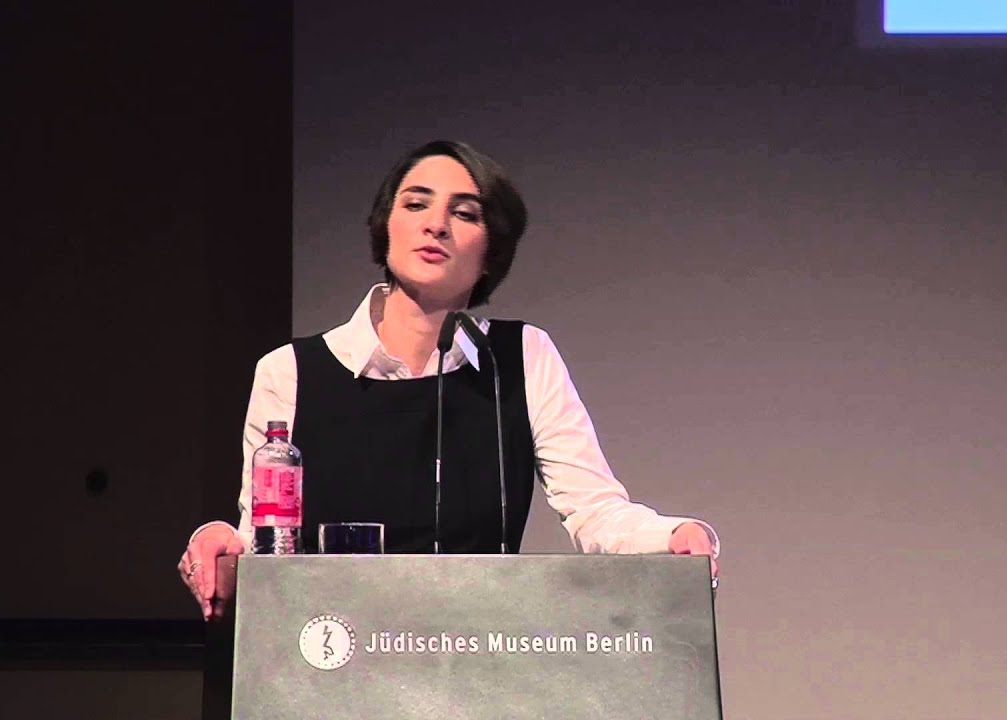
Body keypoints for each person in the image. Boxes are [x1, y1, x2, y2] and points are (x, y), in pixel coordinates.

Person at [177, 140, 718, 620]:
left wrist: (672, 537)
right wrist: (222, 542)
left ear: (490, 255)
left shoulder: (523, 357)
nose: (436, 224)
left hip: (475, 657)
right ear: (385, 227)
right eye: (415, 205)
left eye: (464, 214)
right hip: (331, 662)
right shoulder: (288, 371)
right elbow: (267, 535)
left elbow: (593, 510)